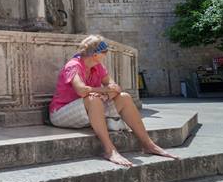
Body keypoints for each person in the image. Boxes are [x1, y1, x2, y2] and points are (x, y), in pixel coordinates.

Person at [48, 35, 178, 167]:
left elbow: (115, 87)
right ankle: (109, 150)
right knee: (93, 99)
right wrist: (104, 91)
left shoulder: (98, 66)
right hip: (60, 113)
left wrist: (107, 95)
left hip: (88, 108)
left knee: (125, 97)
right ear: (95, 54)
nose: (105, 55)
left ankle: (148, 144)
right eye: (104, 53)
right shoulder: (73, 65)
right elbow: (81, 90)